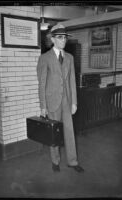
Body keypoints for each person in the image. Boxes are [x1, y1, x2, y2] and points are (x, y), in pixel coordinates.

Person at [37, 23, 84, 173]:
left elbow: (72, 82)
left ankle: (72, 161)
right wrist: (43, 106)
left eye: (65, 37)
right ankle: (55, 161)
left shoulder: (69, 58)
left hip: (67, 101)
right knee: (54, 132)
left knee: (69, 132)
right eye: (60, 37)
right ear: (53, 39)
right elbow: (42, 83)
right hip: (52, 101)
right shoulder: (45, 58)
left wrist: (74, 102)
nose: (63, 40)